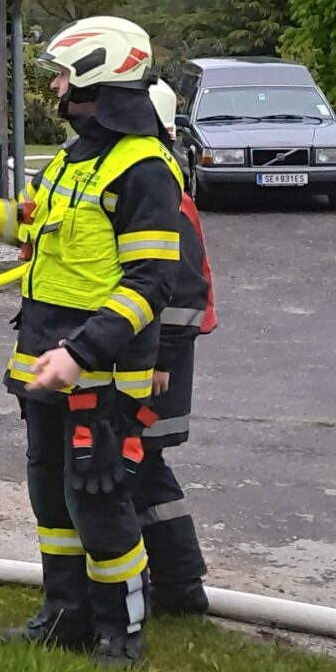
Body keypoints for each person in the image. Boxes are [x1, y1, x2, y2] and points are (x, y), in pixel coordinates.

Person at [0, 14, 183, 666]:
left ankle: (121, 633)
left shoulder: (144, 169)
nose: (54, 87)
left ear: (97, 79)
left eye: (62, 76)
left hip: (100, 379)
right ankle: (66, 616)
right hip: (43, 368)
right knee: (52, 499)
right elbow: (20, 225)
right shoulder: (72, 160)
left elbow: (150, 283)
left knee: (99, 502)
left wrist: (81, 352)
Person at [142, 79, 216, 616]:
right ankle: (175, 584)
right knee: (140, 471)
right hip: (152, 352)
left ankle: (180, 586)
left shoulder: (160, 190)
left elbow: (185, 287)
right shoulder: (156, 181)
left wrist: (161, 357)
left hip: (157, 360)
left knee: (141, 470)